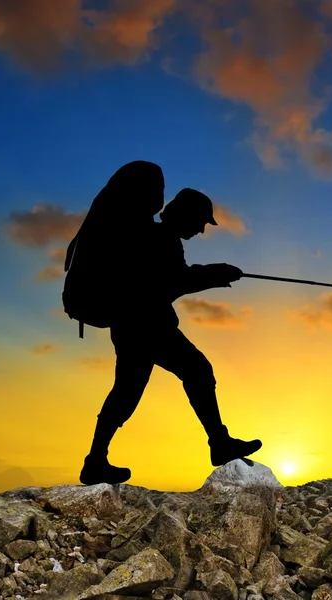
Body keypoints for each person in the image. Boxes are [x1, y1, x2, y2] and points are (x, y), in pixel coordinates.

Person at [79, 186, 262, 485]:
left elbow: (173, 278)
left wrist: (211, 274)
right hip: (148, 327)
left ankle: (95, 460)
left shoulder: (152, 236)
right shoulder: (160, 239)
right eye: (201, 222)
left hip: (131, 327)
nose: (202, 230)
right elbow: (174, 281)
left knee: (126, 393)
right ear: (187, 216)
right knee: (198, 370)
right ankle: (219, 442)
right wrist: (215, 274)